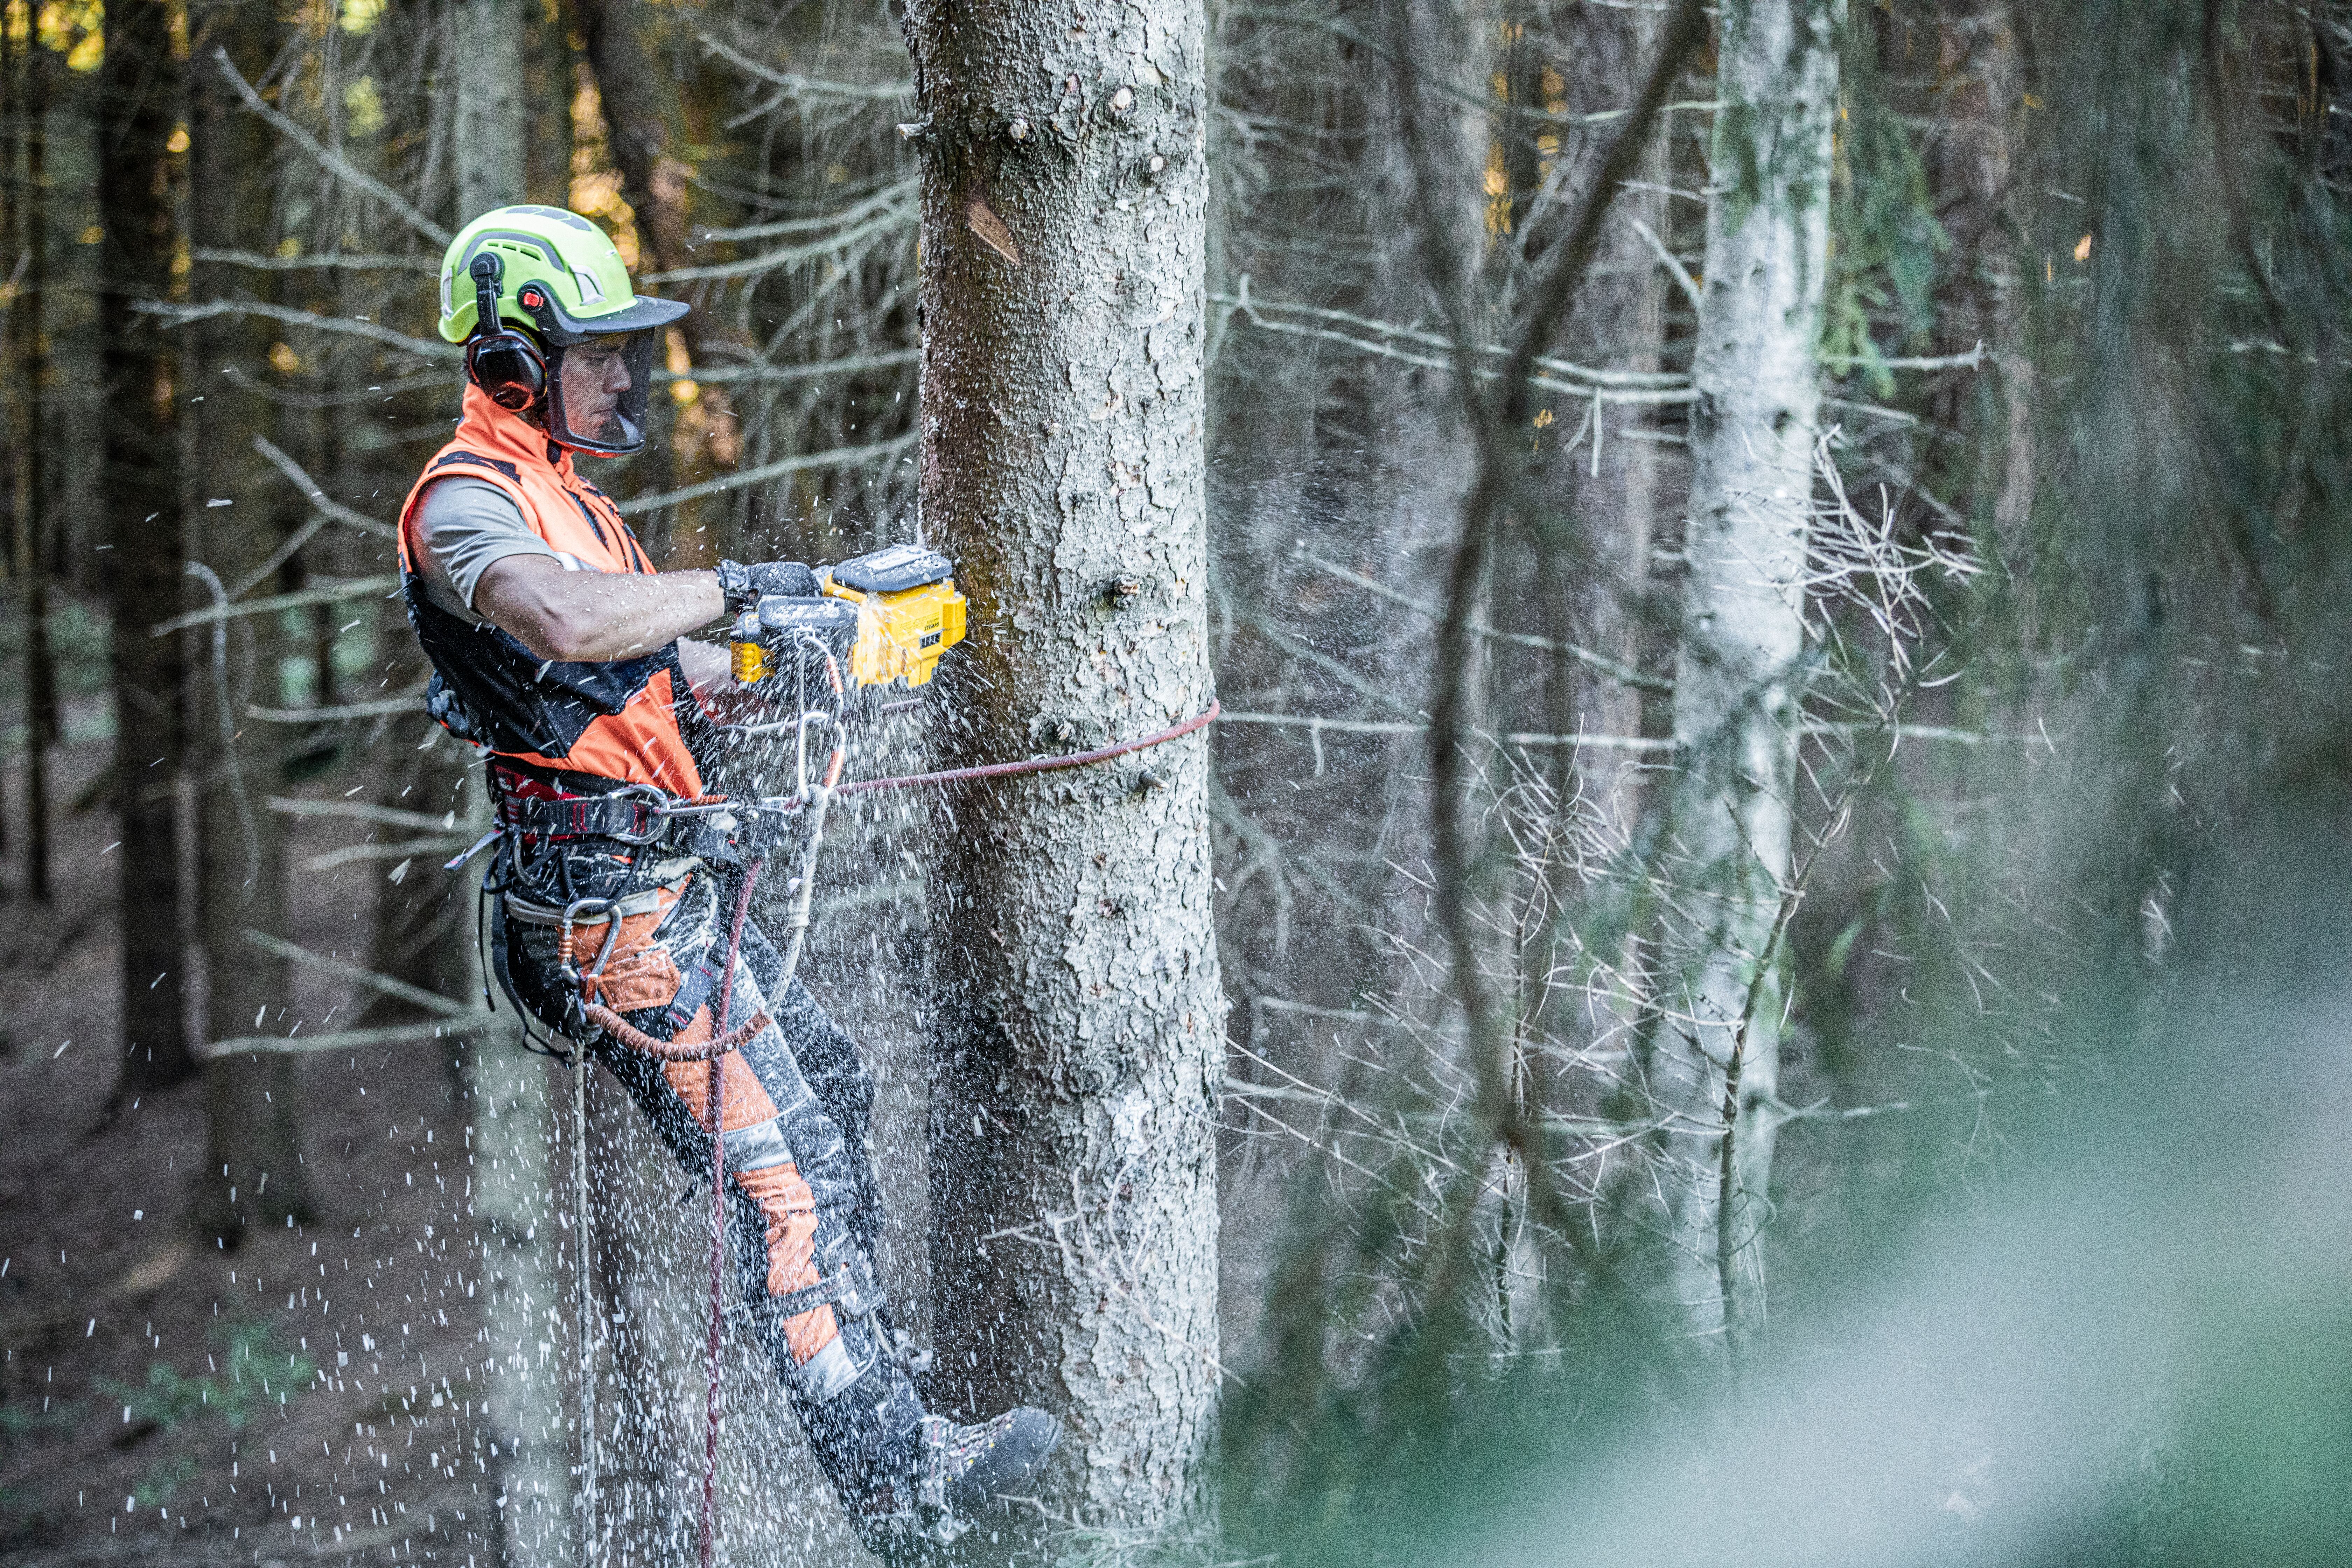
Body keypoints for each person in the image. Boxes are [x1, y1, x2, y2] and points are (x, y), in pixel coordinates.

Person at [399, 205, 1058, 1549]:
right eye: (597, 356)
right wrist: (751, 583)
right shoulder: (466, 502)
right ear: (514, 360)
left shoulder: (576, 500)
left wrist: (821, 644)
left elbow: (659, 670)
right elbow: (567, 621)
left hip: (668, 888)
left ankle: (878, 1387)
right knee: (783, 1184)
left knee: (838, 1099)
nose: (623, 378)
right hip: (609, 920)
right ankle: (901, 1485)